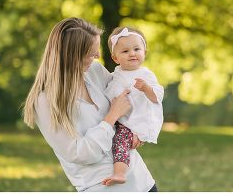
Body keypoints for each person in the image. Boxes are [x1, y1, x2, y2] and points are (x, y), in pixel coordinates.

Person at [23, 18, 158, 192]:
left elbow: (132, 101)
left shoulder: (95, 71)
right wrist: (111, 117)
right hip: (102, 187)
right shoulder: (45, 101)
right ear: (71, 55)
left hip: (142, 181)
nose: (98, 57)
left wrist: (139, 131)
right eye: (91, 53)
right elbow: (79, 154)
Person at [102, 27, 163, 187]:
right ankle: (120, 172)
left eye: (137, 49)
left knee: (119, 142)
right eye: (125, 51)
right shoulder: (115, 75)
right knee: (117, 139)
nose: (132, 53)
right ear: (115, 58)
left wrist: (146, 88)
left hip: (138, 120)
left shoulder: (146, 74)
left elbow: (157, 96)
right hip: (122, 118)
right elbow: (109, 94)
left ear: (144, 52)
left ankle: (119, 173)